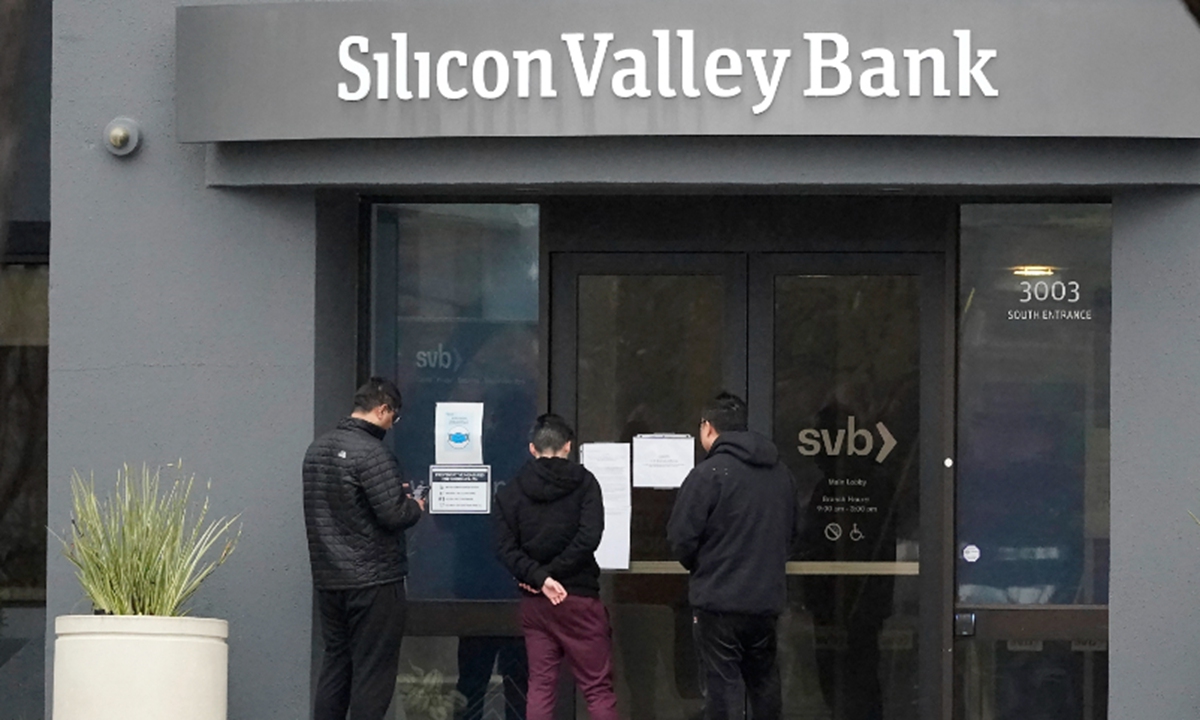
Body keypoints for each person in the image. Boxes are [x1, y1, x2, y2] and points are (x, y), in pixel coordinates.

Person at [666, 392, 801, 720]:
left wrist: (703, 566)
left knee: (722, 692)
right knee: (765, 685)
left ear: (708, 428)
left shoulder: (707, 475)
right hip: (766, 602)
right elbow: (794, 531)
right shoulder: (781, 474)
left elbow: (680, 539)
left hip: (718, 603)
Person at [303, 377, 425, 720]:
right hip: (374, 580)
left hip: (330, 580)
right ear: (382, 408)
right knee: (373, 671)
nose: (391, 425)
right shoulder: (373, 453)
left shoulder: (317, 450)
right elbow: (394, 514)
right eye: (393, 417)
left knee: (336, 662)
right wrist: (415, 505)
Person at [493, 413, 618, 720]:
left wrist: (540, 577)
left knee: (540, 687)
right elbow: (590, 536)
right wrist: (556, 574)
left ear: (532, 449)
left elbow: (504, 548)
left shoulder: (510, 492)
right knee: (597, 688)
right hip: (579, 599)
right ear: (568, 446)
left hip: (536, 602)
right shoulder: (586, 483)